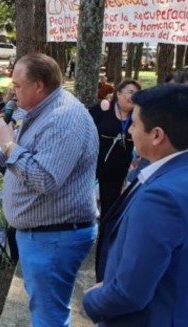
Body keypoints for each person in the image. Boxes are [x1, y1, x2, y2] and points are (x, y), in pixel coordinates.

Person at [0, 53, 98, 327]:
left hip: (55, 236)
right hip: (43, 234)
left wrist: (8, 145)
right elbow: (19, 145)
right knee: (46, 308)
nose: (13, 91)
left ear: (38, 86)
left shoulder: (63, 119)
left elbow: (44, 179)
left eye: (18, 85)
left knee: (49, 317)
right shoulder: (40, 110)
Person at [83, 84, 188, 326]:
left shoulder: (161, 197)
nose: (130, 131)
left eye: (135, 124)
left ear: (157, 135)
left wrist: (92, 299)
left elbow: (130, 292)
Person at [89, 79, 142, 220]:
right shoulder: (103, 109)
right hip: (92, 166)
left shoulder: (138, 117)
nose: (134, 96)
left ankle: (104, 238)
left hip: (117, 172)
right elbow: (84, 127)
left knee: (110, 210)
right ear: (118, 94)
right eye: (130, 92)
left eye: (137, 94)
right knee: (84, 204)